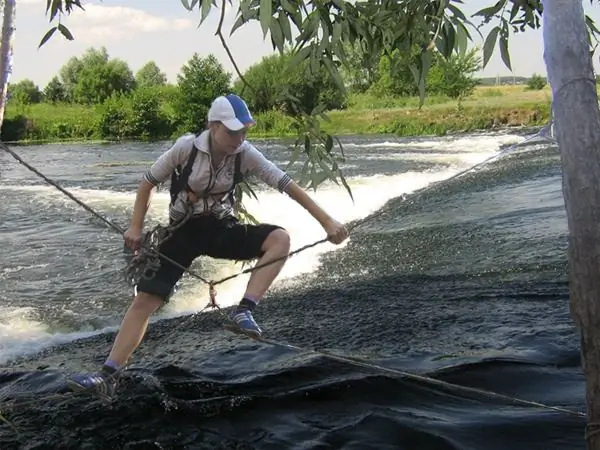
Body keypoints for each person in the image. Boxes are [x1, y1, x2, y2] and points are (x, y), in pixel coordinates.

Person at [67, 93, 349, 398]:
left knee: (280, 239)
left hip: (219, 229)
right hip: (182, 233)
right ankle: (108, 376)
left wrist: (328, 222)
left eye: (243, 131)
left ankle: (245, 311)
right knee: (145, 301)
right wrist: (135, 227)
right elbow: (147, 182)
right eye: (232, 131)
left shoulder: (246, 153)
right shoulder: (185, 148)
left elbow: (287, 185)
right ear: (212, 126)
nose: (239, 138)